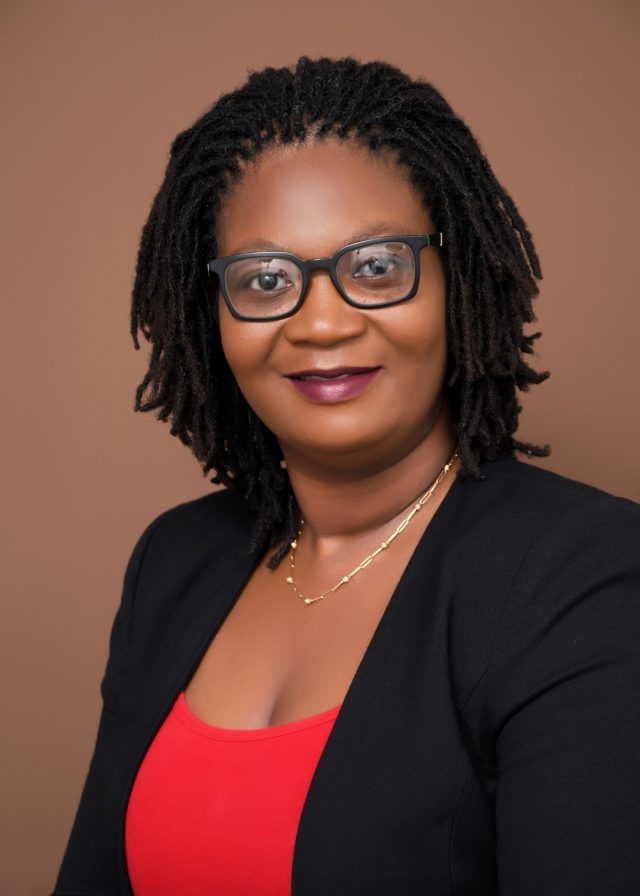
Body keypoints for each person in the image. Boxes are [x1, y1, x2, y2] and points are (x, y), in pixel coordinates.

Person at [52, 57, 640, 896]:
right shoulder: (173, 562)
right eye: (265, 280)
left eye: (375, 267)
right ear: (212, 316)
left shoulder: (584, 573)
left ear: (456, 279)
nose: (320, 323)